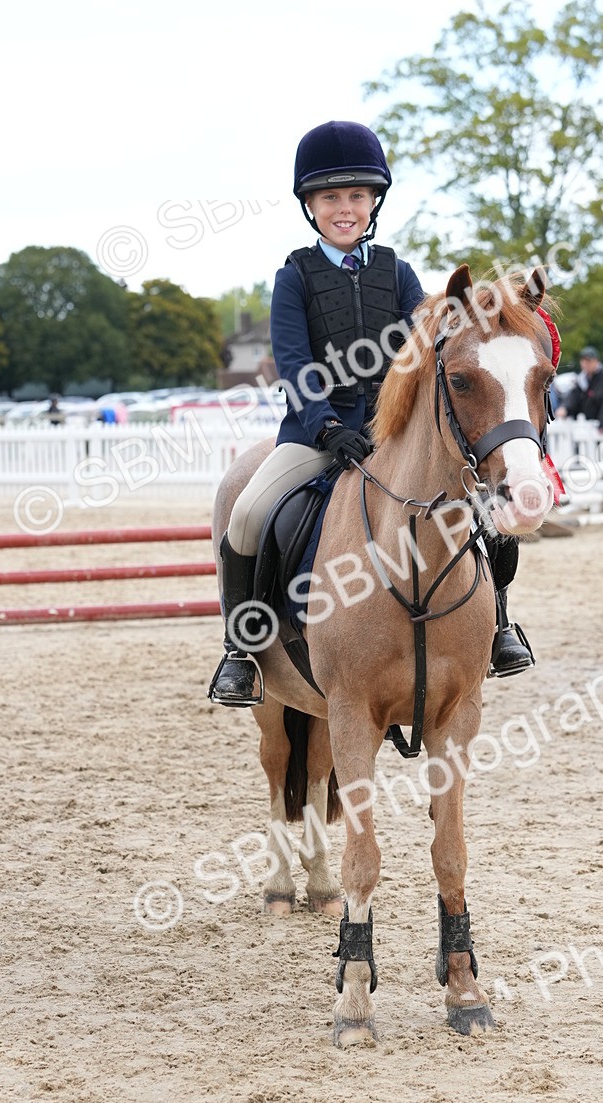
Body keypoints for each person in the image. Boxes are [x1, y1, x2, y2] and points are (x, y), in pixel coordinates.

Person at [209, 120, 535, 707]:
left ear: (373, 201)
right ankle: (242, 650)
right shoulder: (294, 278)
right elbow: (293, 362)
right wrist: (326, 427)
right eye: (330, 197)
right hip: (315, 434)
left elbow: (430, 338)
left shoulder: (398, 273)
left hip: (392, 434)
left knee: (486, 507)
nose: (344, 208)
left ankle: (500, 626)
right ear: (310, 206)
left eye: (356, 196)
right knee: (250, 516)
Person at [557, 346, 603, 434]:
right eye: (583, 361)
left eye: (589, 361)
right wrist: (565, 408)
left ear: (596, 361)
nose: (586, 364)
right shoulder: (582, 379)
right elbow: (573, 396)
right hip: (586, 426)